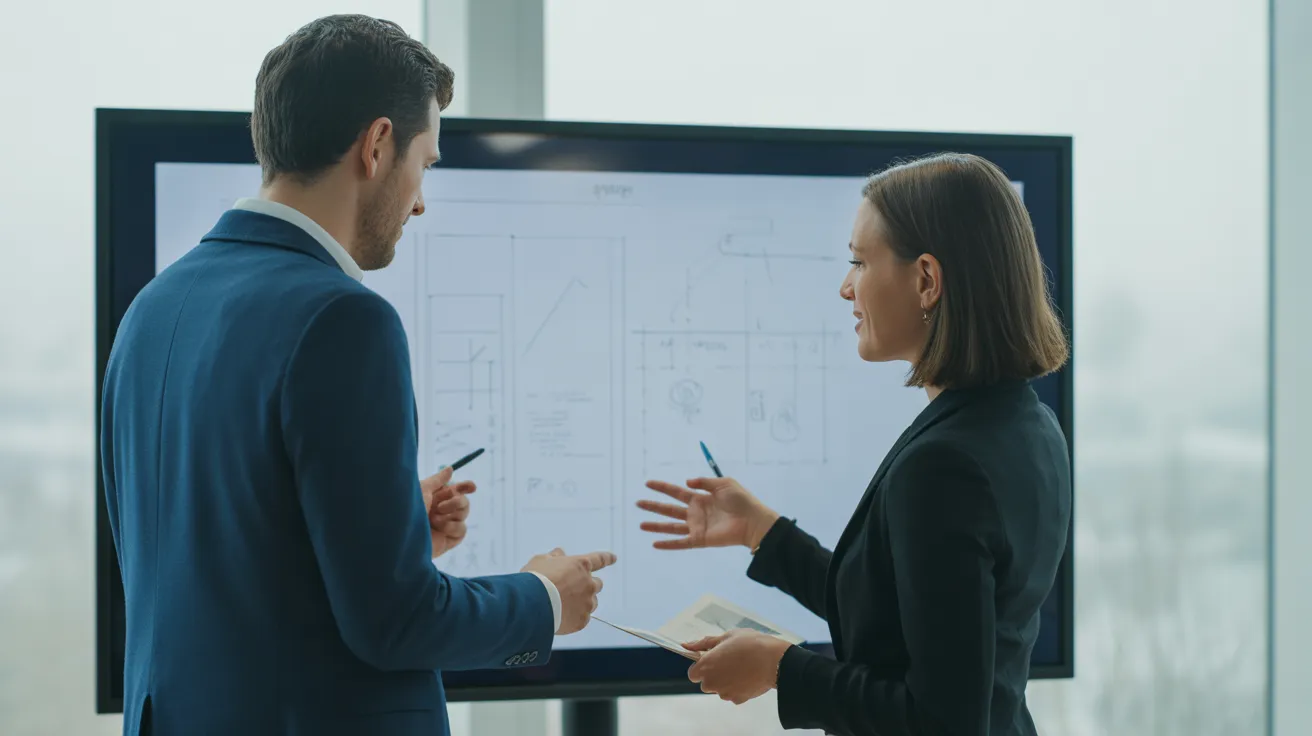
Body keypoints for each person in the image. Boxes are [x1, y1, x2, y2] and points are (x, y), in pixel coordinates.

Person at [100, 15, 614, 736]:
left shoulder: (153, 307)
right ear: (377, 145)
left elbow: (216, 564)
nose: (421, 200)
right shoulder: (342, 319)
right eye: (425, 163)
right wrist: (544, 598)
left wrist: (387, 530)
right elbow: (395, 623)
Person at [638, 153, 1071, 736]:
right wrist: (762, 531)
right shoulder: (1025, 423)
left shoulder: (943, 466)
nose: (846, 288)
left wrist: (782, 669)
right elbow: (898, 612)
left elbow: (940, 722)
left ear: (926, 279)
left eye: (859, 262)